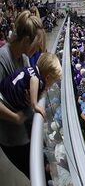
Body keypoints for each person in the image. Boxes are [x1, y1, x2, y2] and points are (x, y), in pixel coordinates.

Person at [0, 10, 46, 180]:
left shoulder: (24, 59)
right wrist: (15, 117)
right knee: (35, 173)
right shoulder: (2, 58)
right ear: (27, 40)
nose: (38, 48)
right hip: (12, 136)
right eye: (37, 43)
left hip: (25, 127)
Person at [0, 52, 62, 118]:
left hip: (4, 90)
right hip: (6, 100)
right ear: (47, 78)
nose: (52, 84)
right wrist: (35, 105)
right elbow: (34, 79)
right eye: (53, 81)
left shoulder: (33, 70)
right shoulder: (39, 80)